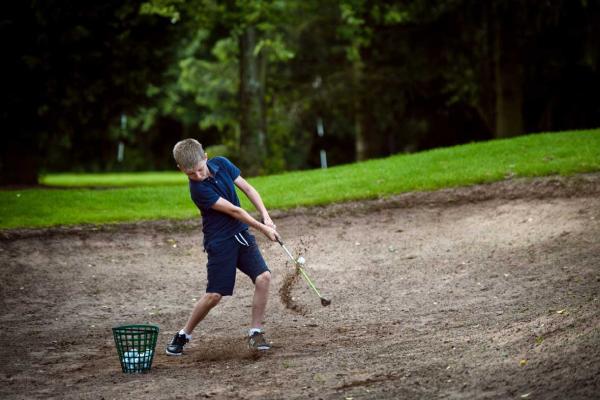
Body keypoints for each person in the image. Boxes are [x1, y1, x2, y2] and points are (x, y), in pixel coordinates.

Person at [166, 139, 279, 355]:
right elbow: (235, 211)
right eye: (190, 174)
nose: (197, 176)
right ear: (181, 169)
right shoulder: (198, 190)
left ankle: (255, 332)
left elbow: (247, 188)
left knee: (263, 277)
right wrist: (262, 229)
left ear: (206, 157)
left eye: (199, 169)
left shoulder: (222, 164)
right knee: (214, 295)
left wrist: (266, 217)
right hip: (219, 242)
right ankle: (183, 335)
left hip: (240, 235)